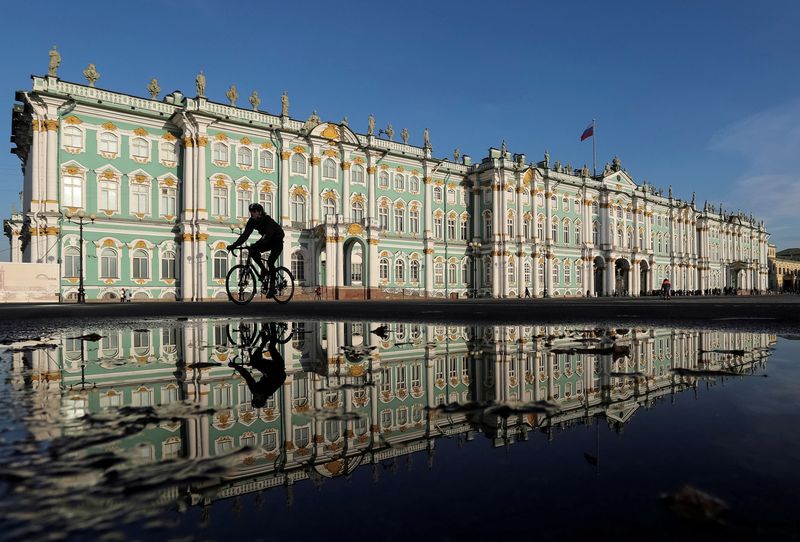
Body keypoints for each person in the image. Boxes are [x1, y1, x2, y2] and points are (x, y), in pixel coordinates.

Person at [227, 203, 284, 298]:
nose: (251, 214)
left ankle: (273, 287)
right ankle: (264, 270)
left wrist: (257, 244)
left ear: (260, 212)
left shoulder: (267, 220)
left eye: (253, 211)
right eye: (251, 212)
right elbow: (245, 235)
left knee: (270, 262)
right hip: (268, 240)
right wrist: (234, 245)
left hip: (277, 241)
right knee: (252, 250)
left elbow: (267, 235)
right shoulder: (252, 221)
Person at [229, 323, 286, 409]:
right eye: (256, 398)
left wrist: (236, 367)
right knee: (271, 347)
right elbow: (281, 377)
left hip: (268, 369)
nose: (254, 396)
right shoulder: (269, 390)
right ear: (262, 399)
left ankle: (263, 337)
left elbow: (247, 376)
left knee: (255, 361)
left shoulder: (254, 390)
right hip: (278, 367)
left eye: (254, 398)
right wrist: (262, 369)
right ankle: (272, 328)